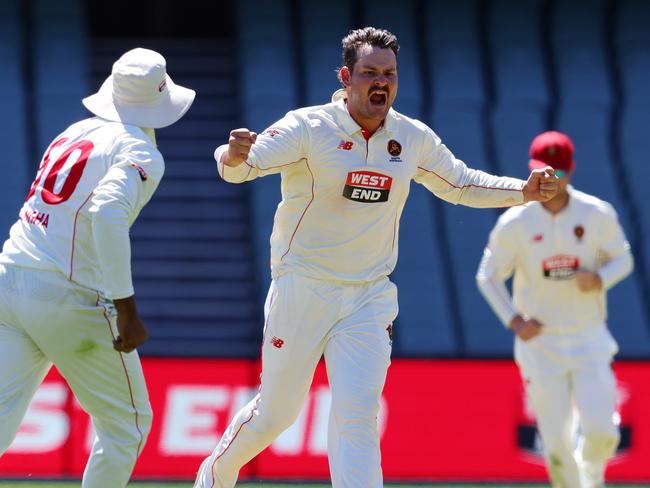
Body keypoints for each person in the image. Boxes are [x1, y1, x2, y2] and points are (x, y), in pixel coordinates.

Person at [195, 27, 557, 488]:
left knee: (358, 417)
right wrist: (233, 154)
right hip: (302, 286)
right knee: (276, 415)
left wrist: (522, 191)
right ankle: (214, 474)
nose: (380, 82)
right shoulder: (308, 127)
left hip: (369, 296)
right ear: (346, 77)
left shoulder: (410, 137)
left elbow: (460, 183)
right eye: (369, 73)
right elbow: (242, 168)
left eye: (389, 74)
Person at [0, 48, 194, 487]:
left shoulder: (76, 130)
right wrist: (126, 308)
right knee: (128, 427)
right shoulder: (141, 151)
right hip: (66, 297)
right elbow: (105, 212)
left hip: (10, 278)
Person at [476, 130, 632, 488]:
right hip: (540, 346)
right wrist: (514, 321)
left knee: (602, 432)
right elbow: (487, 276)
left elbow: (623, 260)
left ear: (570, 171)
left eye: (556, 174)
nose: (549, 180)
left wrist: (600, 278)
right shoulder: (516, 222)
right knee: (558, 447)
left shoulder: (596, 214)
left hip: (588, 338)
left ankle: (592, 477)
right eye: (542, 172)